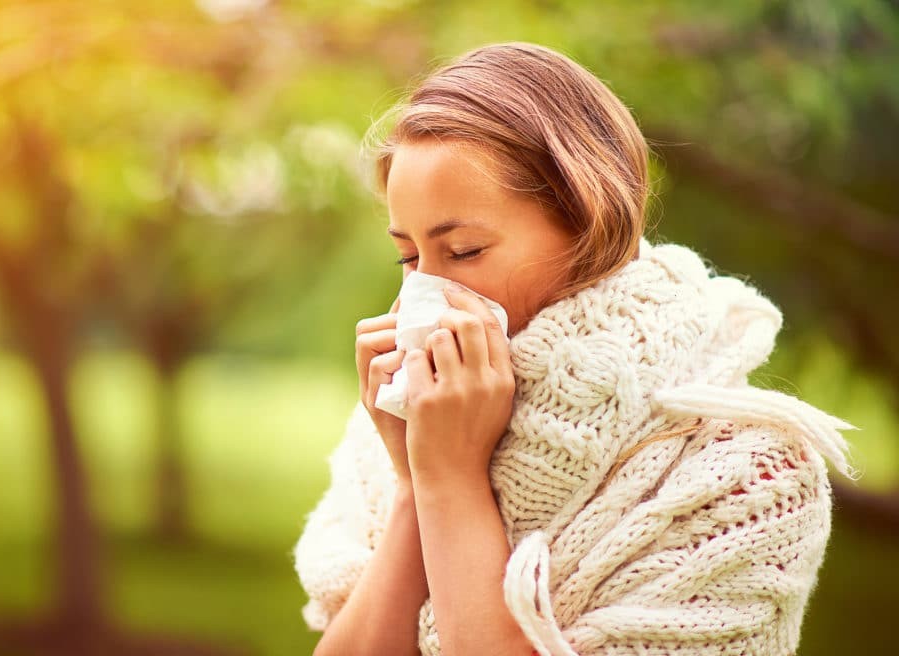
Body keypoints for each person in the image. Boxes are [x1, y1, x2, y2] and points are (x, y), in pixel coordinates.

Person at [292, 41, 858, 656]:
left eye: (463, 252)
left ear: (589, 227)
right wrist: (414, 481)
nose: (425, 293)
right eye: (409, 256)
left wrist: (454, 485)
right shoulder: (405, 426)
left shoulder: (747, 473)